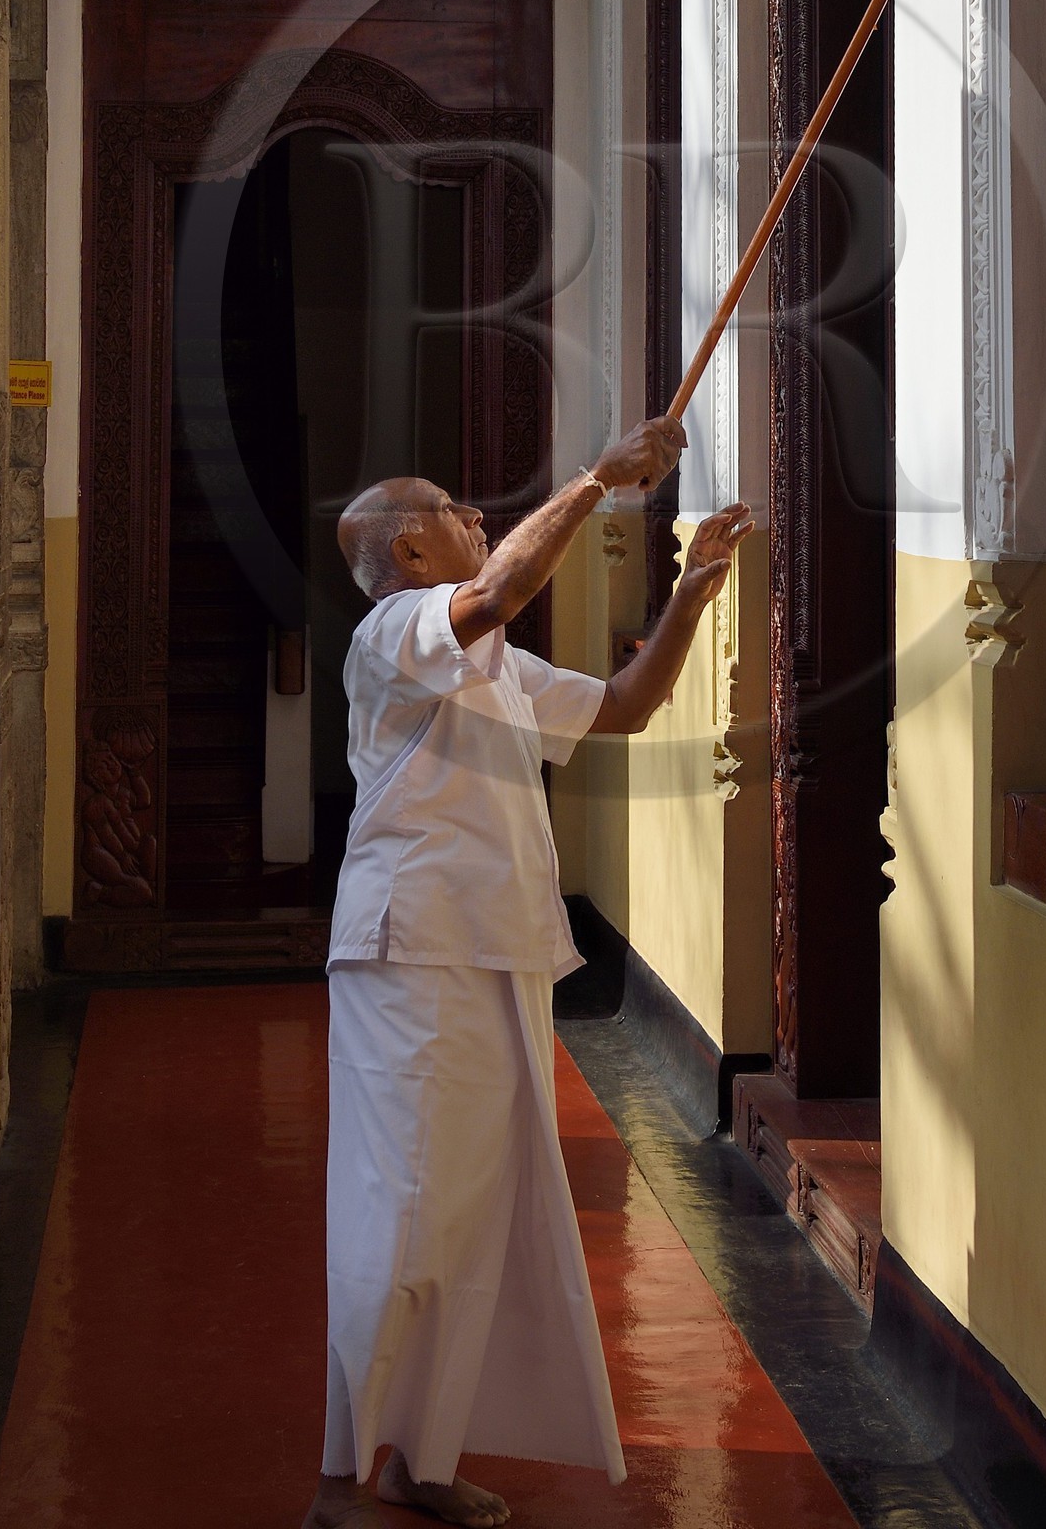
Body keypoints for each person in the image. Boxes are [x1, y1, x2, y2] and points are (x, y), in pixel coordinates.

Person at [303, 418, 751, 1529]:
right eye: (455, 508)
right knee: (401, 1211)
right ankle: (346, 1475)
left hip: (495, 955)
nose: (477, 518)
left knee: (475, 1216)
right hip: (412, 954)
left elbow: (624, 708)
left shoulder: (494, 668)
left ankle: (424, 1451)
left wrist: (690, 598)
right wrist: (598, 478)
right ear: (408, 553)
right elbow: (496, 593)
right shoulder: (397, 630)